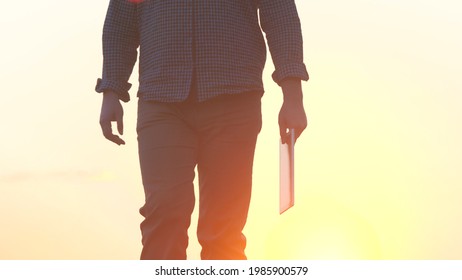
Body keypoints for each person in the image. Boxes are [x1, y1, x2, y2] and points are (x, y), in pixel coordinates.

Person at [96, 0, 309, 260]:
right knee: (163, 215)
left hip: (234, 98)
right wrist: (111, 90)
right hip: (162, 99)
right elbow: (121, 22)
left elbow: (280, 15)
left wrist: (293, 96)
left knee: (223, 229)